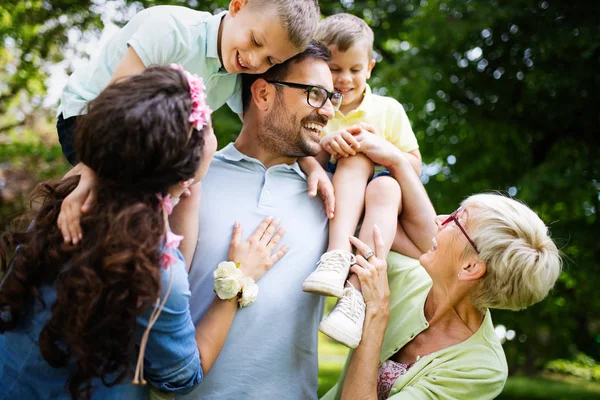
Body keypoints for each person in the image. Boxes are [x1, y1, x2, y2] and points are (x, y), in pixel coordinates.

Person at [0, 66, 287, 399]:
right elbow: (182, 378)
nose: (214, 135)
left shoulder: (70, 199)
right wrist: (237, 281)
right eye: (206, 127)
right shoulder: (158, 269)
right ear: (183, 173)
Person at [55, 0, 321, 253]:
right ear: (238, 6)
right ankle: (45, 237)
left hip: (148, 139)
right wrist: (90, 173)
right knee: (106, 196)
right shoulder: (170, 31)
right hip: (90, 118)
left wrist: (310, 164)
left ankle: (174, 273)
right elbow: (113, 106)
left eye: (270, 61)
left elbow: (264, 129)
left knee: (193, 175)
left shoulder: (237, 71)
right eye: (255, 41)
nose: (254, 61)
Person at [174, 41, 338, 400]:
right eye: (314, 94)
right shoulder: (190, 178)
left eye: (332, 98)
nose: (327, 111)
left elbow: (422, 245)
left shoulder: (332, 196)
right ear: (263, 93)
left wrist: (400, 166)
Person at [323, 192, 562, 399]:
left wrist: (377, 312)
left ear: (471, 267)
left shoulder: (482, 369)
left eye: (457, 220)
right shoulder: (402, 274)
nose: (439, 220)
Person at [302, 13, 434, 349]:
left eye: (354, 69)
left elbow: (413, 167)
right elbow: (299, 157)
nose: (344, 79)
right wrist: (326, 148)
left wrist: (384, 150)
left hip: (380, 200)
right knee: (353, 154)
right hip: (334, 193)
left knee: (383, 178)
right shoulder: (311, 106)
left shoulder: (388, 109)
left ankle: (354, 295)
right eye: (334, 69)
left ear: (370, 68)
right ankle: (336, 261)